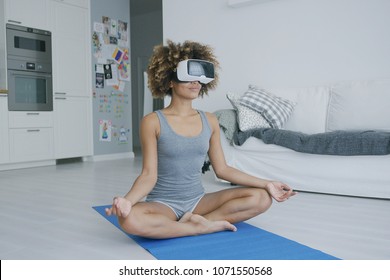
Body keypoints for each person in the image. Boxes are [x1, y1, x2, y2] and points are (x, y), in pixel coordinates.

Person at [105, 40, 296, 239]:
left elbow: (223, 169)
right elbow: (148, 175)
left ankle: (191, 223)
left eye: (198, 79)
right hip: (163, 204)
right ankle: (200, 227)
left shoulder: (210, 120)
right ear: (170, 81)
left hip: (198, 201)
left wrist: (267, 183)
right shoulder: (152, 122)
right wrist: (128, 200)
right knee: (129, 219)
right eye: (187, 78)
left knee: (262, 198)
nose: (195, 83)